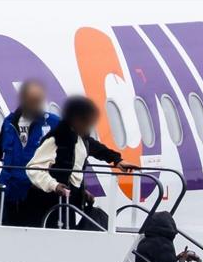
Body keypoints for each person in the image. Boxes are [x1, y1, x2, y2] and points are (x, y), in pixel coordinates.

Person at [27, 95, 131, 229]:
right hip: (51, 203)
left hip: (68, 201)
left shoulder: (82, 139)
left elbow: (97, 149)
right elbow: (34, 168)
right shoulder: (57, 139)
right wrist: (54, 185)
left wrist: (117, 161)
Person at [0, 80, 60, 226]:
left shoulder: (53, 124)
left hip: (38, 195)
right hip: (11, 196)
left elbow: (69, 156)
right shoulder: (9, 123)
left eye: (38, 101)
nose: (36, 105)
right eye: (32, 101)